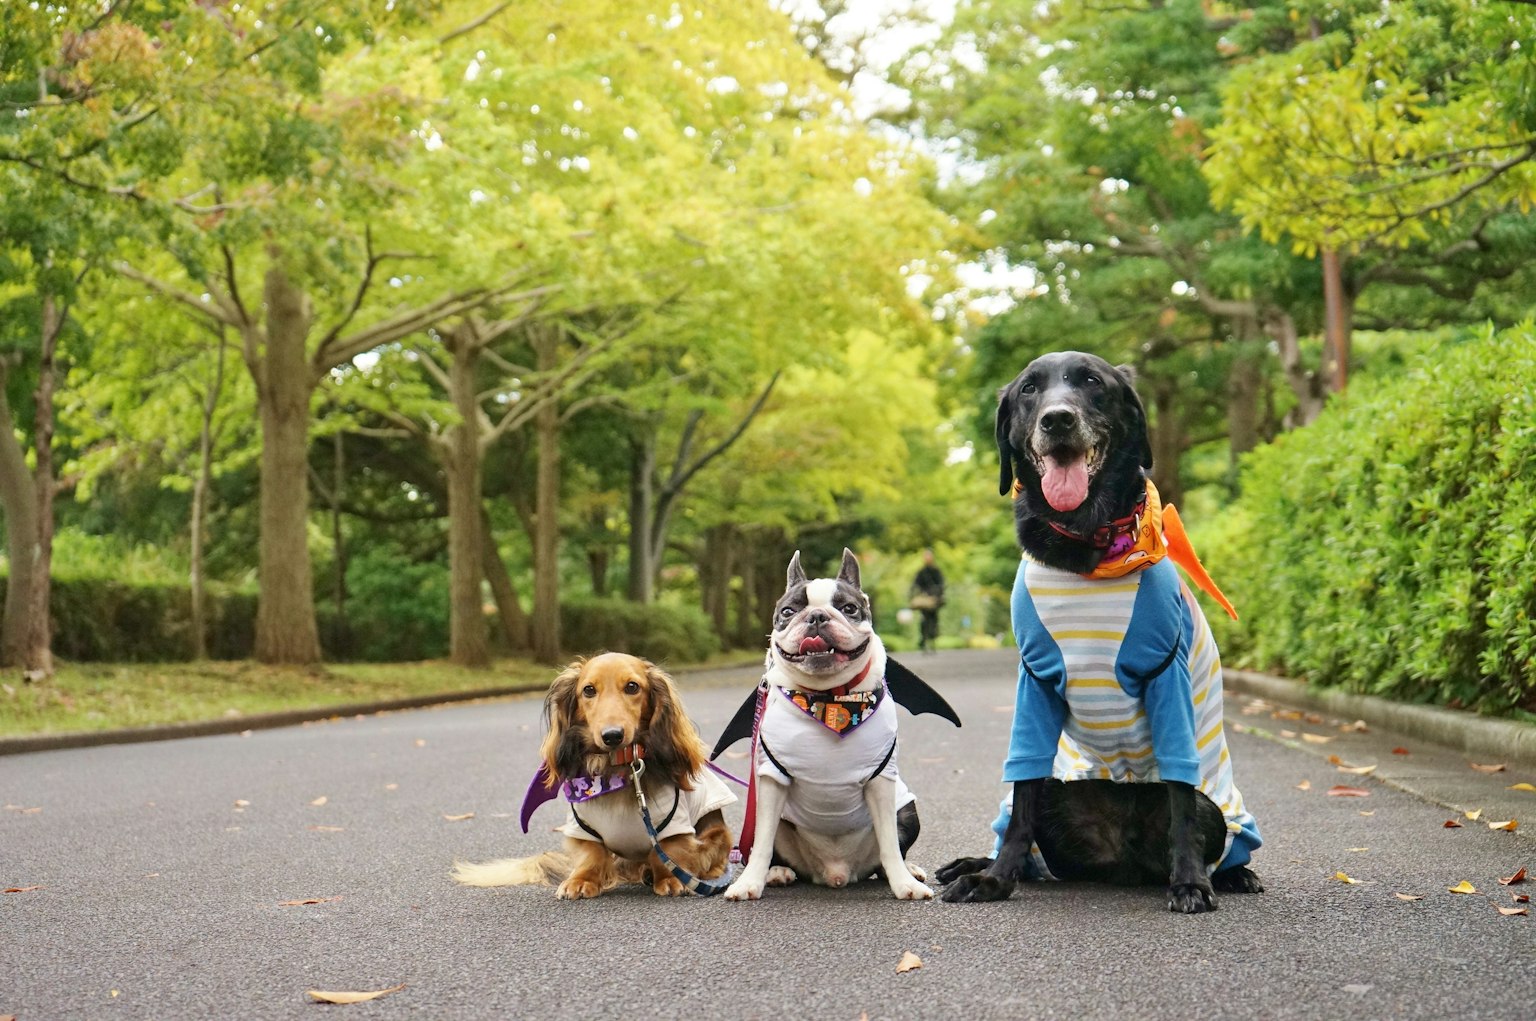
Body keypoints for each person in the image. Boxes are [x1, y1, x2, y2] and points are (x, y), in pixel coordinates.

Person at [909, 548, 945, 653]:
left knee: (933, 621)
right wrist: (914, 595)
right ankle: (924, 640)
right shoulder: (922, 572)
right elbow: (915, 584)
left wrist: (937, 594)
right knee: (924, 621)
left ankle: (932, 640)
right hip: (924, 600)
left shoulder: (936, 571)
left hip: (934, 600)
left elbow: (941, 584)